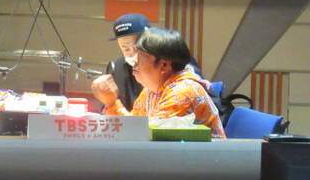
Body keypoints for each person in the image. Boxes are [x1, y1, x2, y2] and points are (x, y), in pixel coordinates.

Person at [92, 27, 226, 138]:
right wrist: (111, 102)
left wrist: (113, 103)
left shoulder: (183, 92)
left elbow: (146, 138)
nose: (134, 61)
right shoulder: (152, 90)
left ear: (164, 65)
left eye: (140, 57)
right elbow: (134, 126)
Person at [105, 13, 150, 110]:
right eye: (126, 49)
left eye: (137, 47)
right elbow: (107, 110)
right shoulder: (115, 68)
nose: (133, 54)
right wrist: (108, 101)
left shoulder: (163, 66)